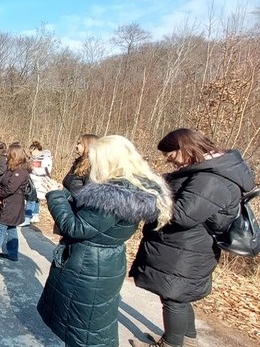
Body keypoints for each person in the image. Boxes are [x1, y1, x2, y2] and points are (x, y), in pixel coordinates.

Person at [37, 135, 173, 347]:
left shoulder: (112, 194)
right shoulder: (131, 188)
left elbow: (75, 227)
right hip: (104, 262)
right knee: (92, 324)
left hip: (90, 266)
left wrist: (54, 196)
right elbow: (91, 217)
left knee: (85, 331)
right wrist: (63, 193)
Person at [128, 129, 255, 347]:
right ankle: (187, 340)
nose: (168, 158)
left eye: (171, 153)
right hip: (186, 246)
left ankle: (170, 344)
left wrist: (151, 200)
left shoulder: (211, 178)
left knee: (173, 297)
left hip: (187, 248)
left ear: (185, 148)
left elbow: (183, 215)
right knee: (179, 295)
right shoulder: (206, 171)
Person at [25, 141, 52, 224]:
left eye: (31, 151)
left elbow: (47, 170)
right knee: (35, 199)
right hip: (32, 181)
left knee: (31, 199)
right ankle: (35, 214)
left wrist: (33, 170)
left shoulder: (46, 158)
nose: (31, 153)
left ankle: (27, 217)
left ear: (36, 149)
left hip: (39, 182)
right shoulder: (33, 158)